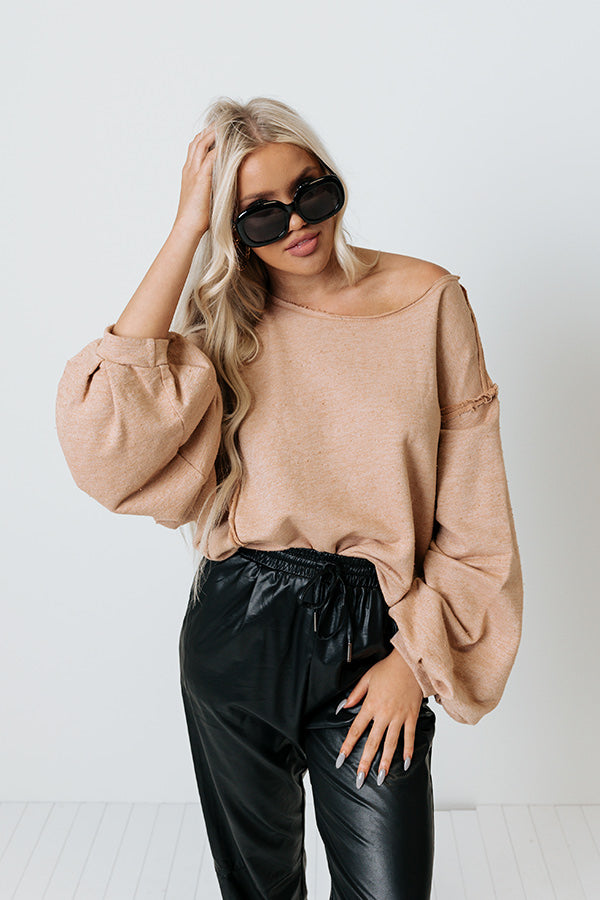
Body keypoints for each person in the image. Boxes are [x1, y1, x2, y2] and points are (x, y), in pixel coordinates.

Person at [55, 95, 524, 899]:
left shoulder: (429, 299)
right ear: (231, 231)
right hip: (239, 624)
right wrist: (185, 230)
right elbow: (104, 438)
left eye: (311, 191)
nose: (297, 224)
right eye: (260, 215)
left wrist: (413, 662)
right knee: (260, 890)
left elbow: (476, 509)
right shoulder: (227, 328)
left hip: (374, 631)